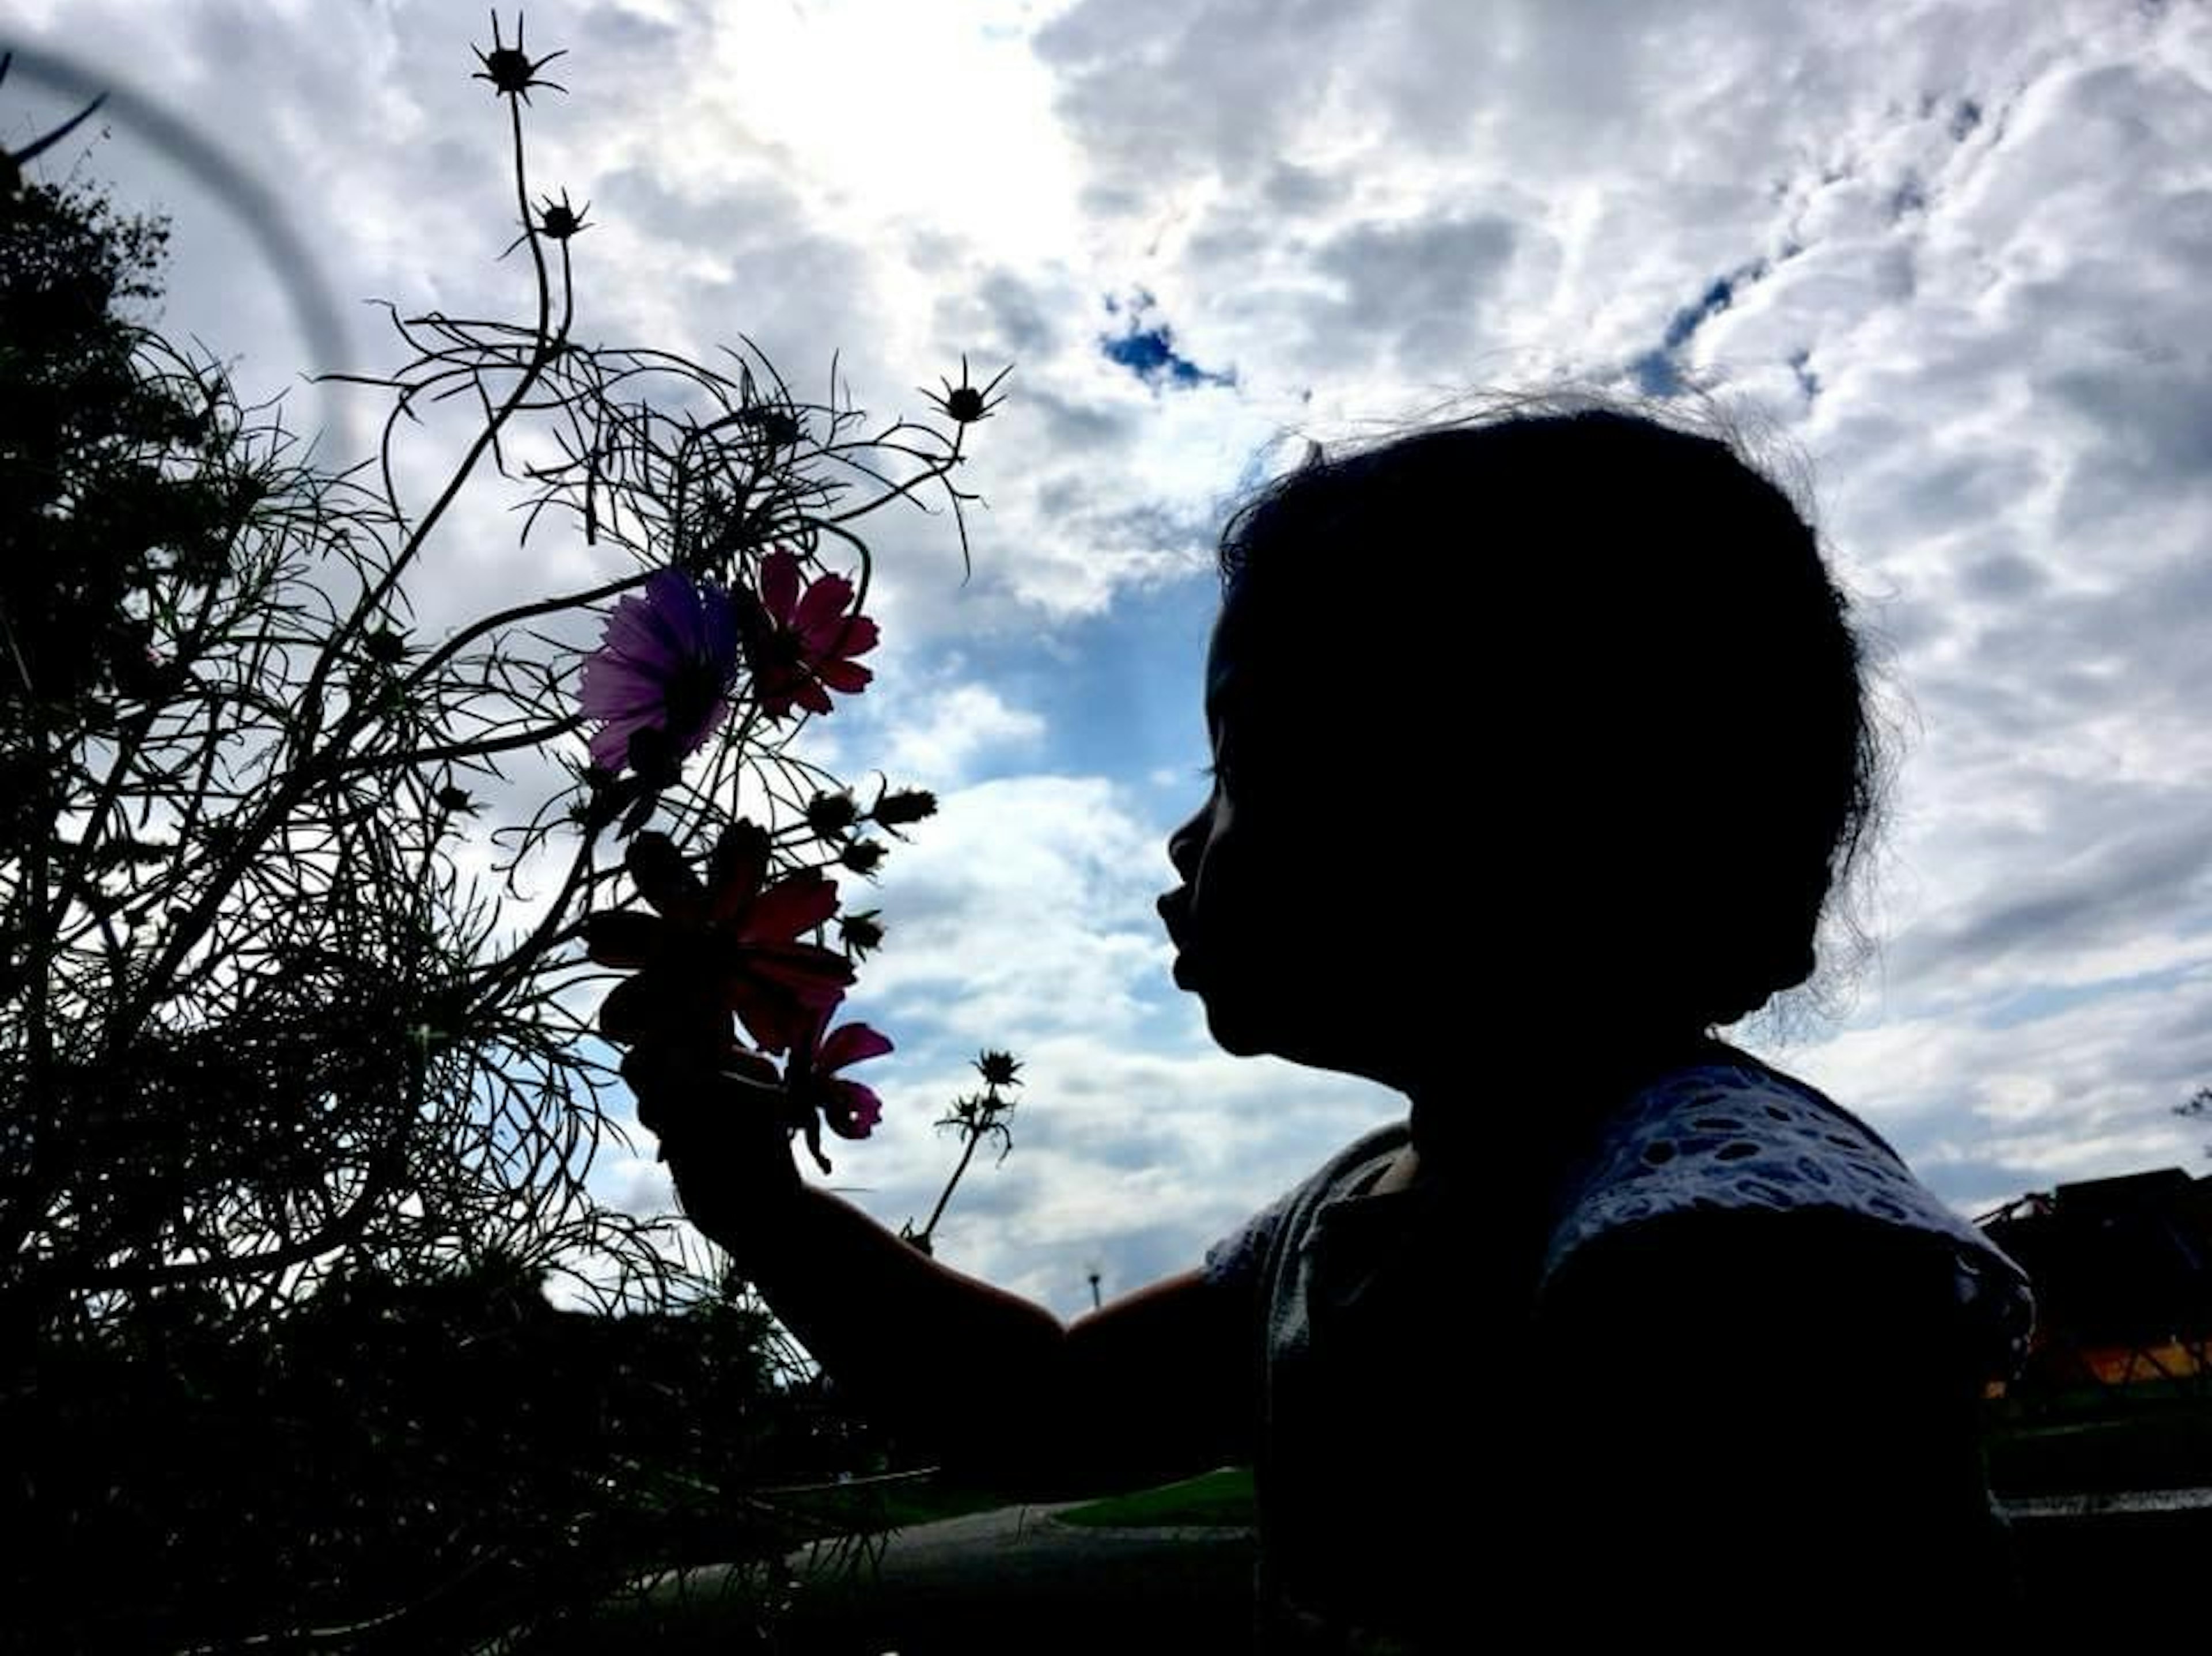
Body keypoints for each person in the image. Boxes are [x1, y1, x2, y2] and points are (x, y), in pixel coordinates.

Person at [621, 401, 2036, 1650]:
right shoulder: (1356, 1209)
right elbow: (1048, 1408)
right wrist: (761, 1201)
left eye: (1240, 763)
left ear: (1515, 804)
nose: (1185, 839)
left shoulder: (1731, 1259)